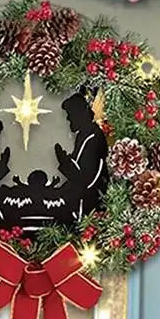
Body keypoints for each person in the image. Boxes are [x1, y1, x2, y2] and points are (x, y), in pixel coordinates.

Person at [54, 87, 109, 221]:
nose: (68, 119)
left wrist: (64, 161)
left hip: (92, 202)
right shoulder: (84, 135)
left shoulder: (93, 136)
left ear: (79, 114)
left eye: (70, 115)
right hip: (85, 198)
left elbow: (85, 178)